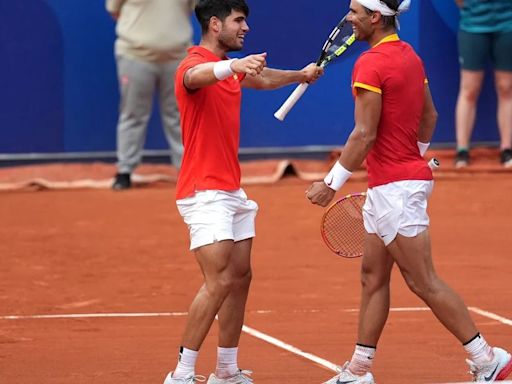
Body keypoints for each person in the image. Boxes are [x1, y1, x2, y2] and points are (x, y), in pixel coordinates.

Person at [306, 0, 512, 383]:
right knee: (372, 276)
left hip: (395, 189)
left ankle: (489, 360)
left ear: (374, 17)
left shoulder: (370, 63)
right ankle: (359, 370)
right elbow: (429, 116)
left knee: (422, 281)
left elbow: (364, 134)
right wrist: (412, 158)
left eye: (354, 12)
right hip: (394, 183)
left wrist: (330, 184)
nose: (348, 19)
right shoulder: (409, 56)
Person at [163, 1, 323, 383]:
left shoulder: (232, 73)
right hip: (203, 192)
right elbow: (198, 76)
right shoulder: (193, 65)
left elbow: (263, 78)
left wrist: (299, 75)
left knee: (240, 278)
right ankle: (181, 374)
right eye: (238, 20)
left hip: (231, 190)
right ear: (215, 24)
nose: (246, 27)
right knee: (218, 280)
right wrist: (232, 65)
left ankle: (226, 370)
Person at [106, 0, 195, 190]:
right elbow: (114, 10)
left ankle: (188, 171)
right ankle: (125, 171)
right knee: (132, 114)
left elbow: (195, 9)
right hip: (134, 56)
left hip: (179, 56)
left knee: (180, 115)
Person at [453, 0, 512, 168]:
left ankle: (506, 149)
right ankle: (462, 150)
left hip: (508, 25)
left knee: (506, 87)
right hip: (472, 25)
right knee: (469, 89)